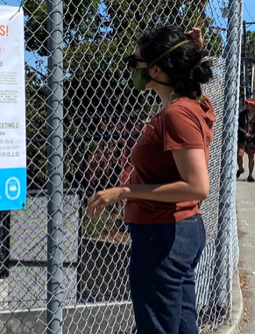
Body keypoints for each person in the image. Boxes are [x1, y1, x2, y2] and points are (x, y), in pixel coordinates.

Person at [86, 26, 214, 334]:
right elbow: (192, 89)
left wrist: (124, 192)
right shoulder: (190, 105)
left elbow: (198, 186)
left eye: (136, 62)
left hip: (163, 234)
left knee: (157, 327)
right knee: (182, 326)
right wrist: (195, 51)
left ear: (156, 69)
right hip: (179, 230)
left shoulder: (177, 115)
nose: (132, 69)